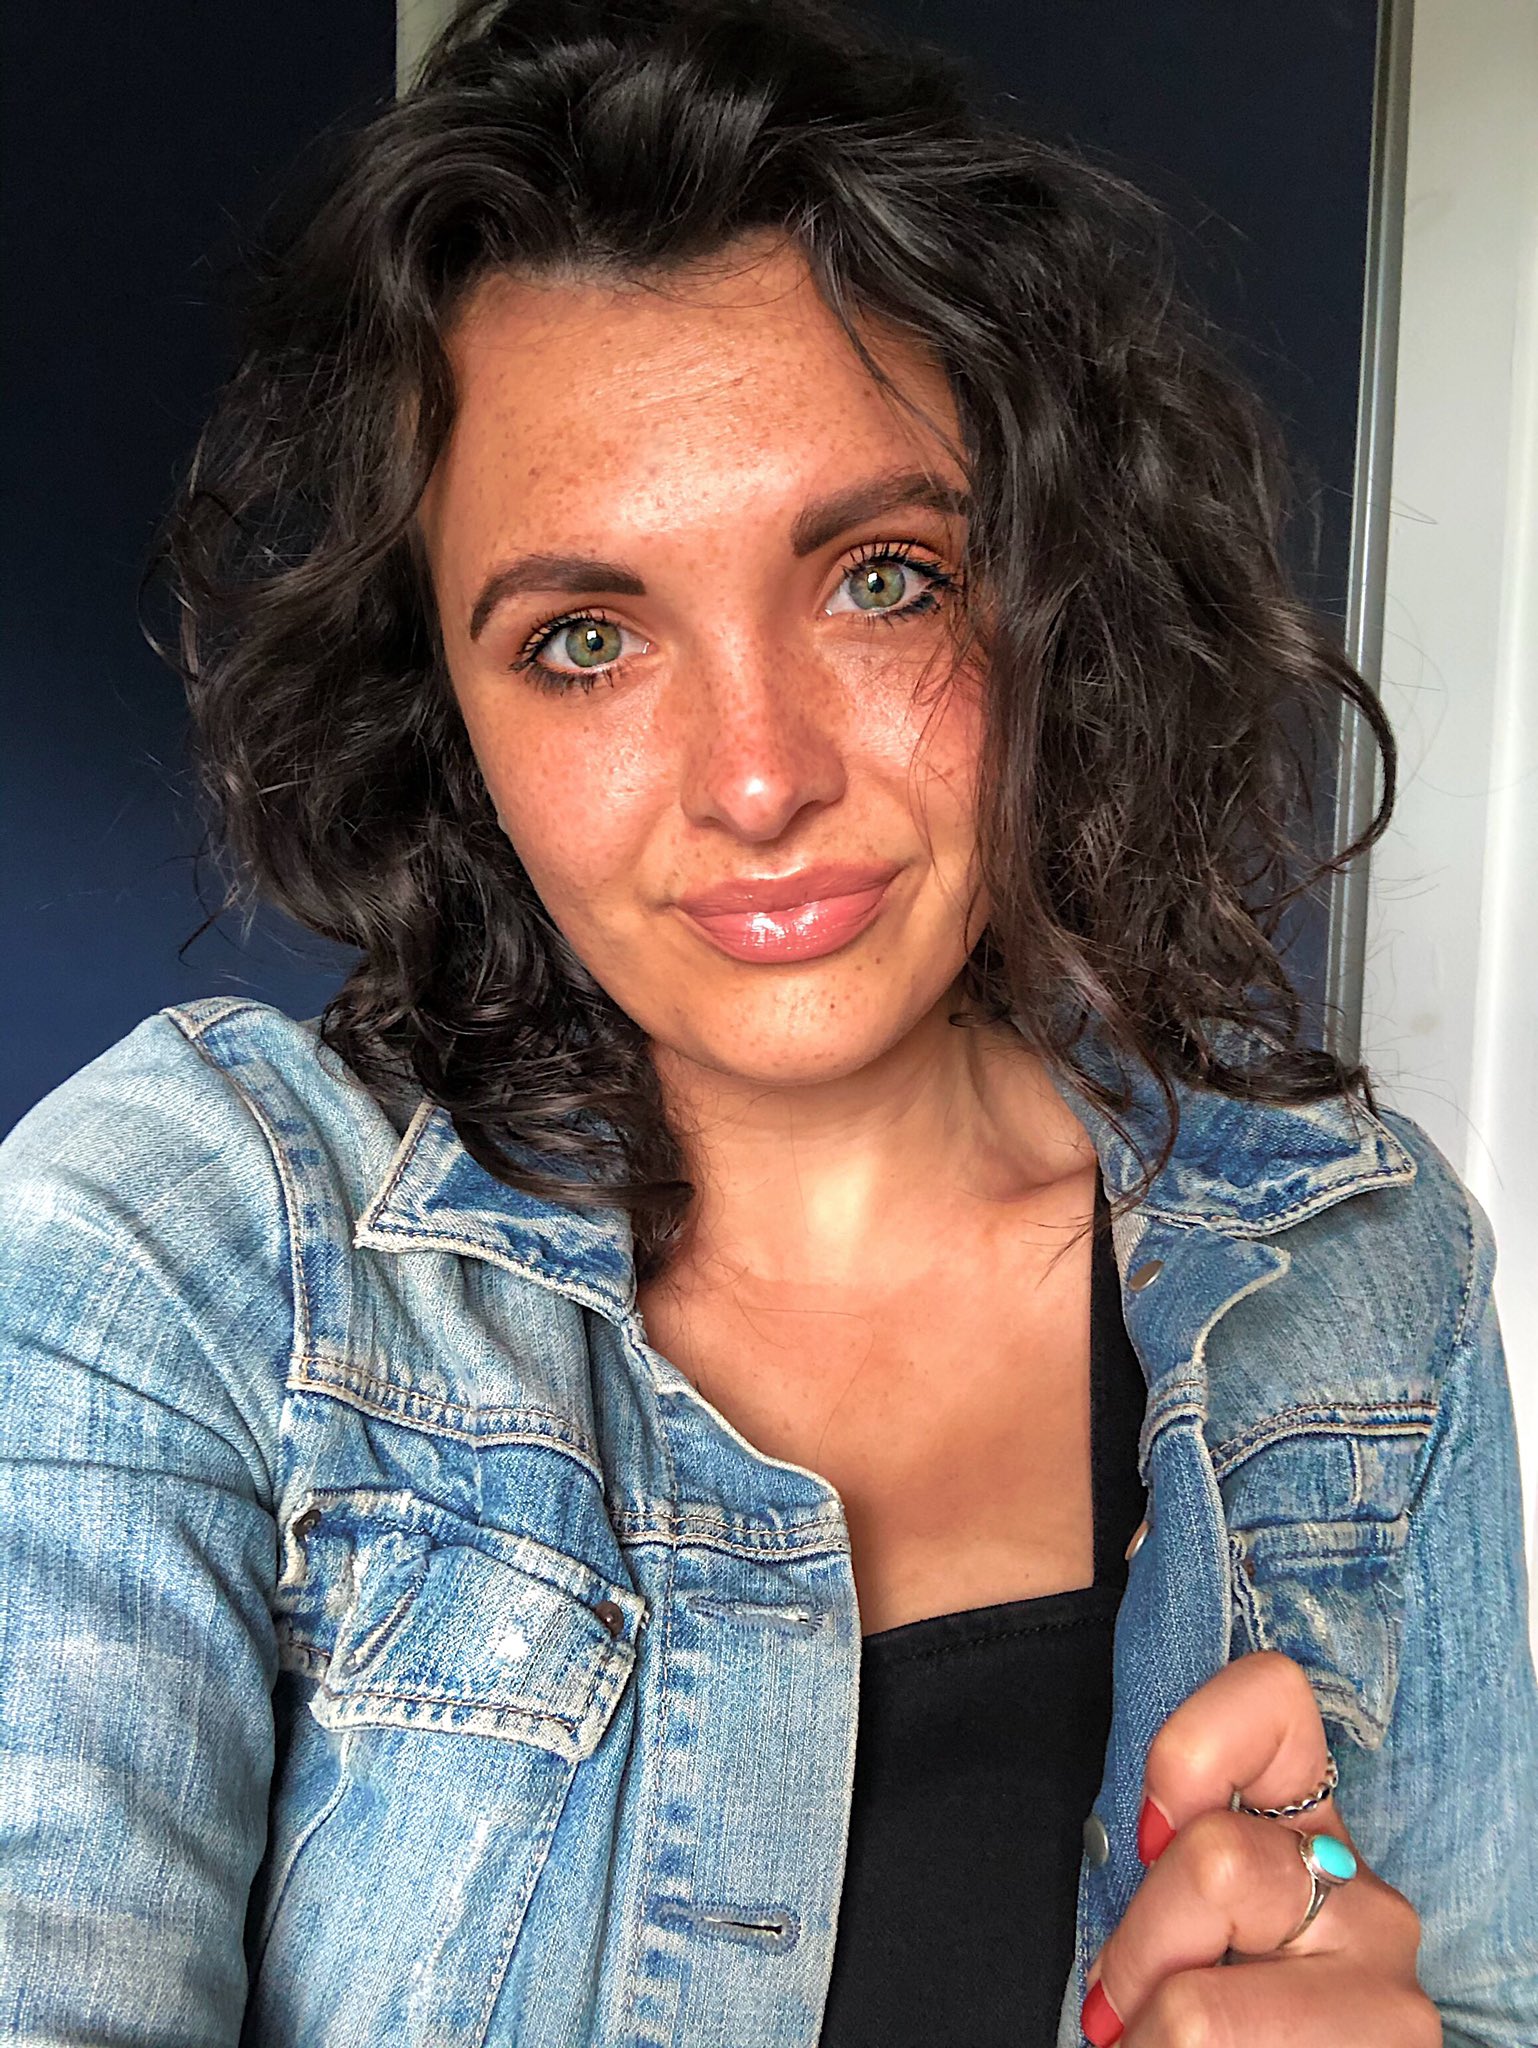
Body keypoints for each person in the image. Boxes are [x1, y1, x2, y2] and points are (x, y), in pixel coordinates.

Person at [1, 0, 1535, 2042]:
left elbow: (1474, 1990)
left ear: (1050, 591)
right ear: (446, 717)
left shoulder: (1361, 1273)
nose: (755, 777)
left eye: (879, 578)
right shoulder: (182, 1255)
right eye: (583, 638)